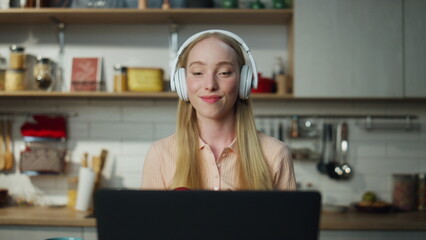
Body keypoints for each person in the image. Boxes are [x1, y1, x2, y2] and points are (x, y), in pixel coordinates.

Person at [142, 30, 296, 191]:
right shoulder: (160, 155)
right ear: (181, 82)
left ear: (244, 81)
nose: (210, 85)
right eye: (198, 73)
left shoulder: (276, 154)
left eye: (224, 73)